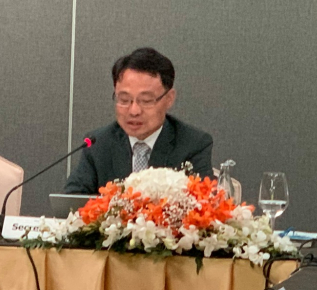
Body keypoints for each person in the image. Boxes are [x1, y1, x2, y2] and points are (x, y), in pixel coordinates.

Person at [64, 47, 213, 194]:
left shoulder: (193, 144)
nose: (134, 111)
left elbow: (203, 201)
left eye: (146, 101)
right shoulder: (98, 144)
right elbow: (71, 199)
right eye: (124, 100)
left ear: (169, 99)